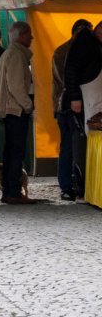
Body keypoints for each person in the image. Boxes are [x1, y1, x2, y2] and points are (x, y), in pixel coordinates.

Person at [53, 19, 92, 201]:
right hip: (70, 105)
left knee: (68, 146)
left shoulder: (62, 50)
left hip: (65, 104)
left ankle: (68, 185)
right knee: (71, 146)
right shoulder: (70, 51)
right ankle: (69, 185)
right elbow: (66, 79)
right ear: (80, 31)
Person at [62, 20, 102, 200]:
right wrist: (75, 97)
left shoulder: (93, 45)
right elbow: (70, 70)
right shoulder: (84, 44)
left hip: (93, 99)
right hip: (83, 100)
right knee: (78, 143)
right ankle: (79, 186)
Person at [0, 21, 35, 205]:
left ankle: (10, 191)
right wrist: (28, 105)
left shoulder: (8, 54)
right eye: (29, 35)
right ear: (20, 36)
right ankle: (13, 191)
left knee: (11, 151)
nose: (32, 38)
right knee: (15, 152)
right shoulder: (16, 56)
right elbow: (17, 87)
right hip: (16, 110)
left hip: (11, 109)